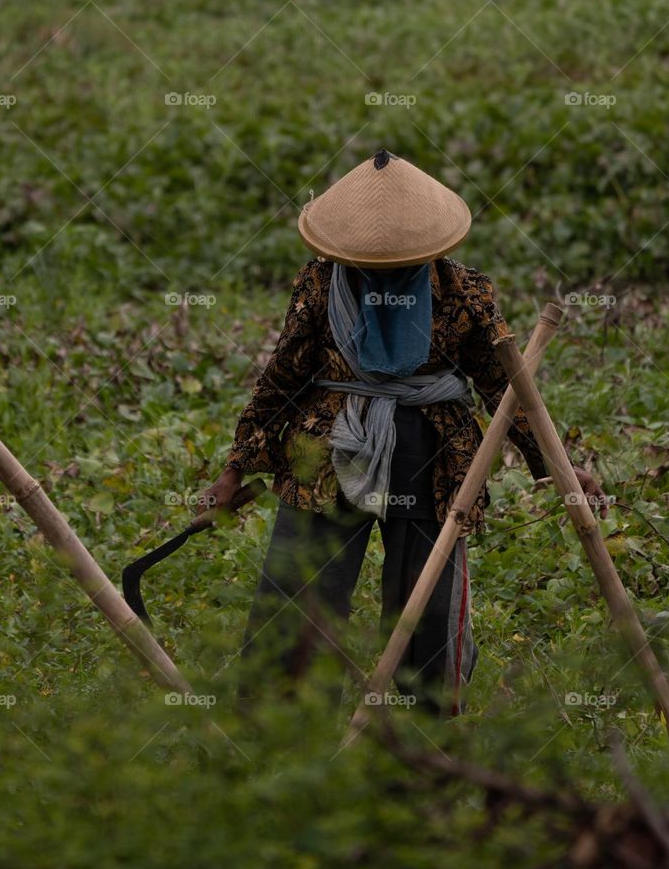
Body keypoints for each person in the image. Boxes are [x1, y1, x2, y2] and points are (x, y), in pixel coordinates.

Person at [199, 150, 608, 711]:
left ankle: (428, 722)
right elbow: (284, 377)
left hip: (430, 453)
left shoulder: (466, 294)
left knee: (427, 599)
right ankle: (281, 724)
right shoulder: (321, 285)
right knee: (300, 592)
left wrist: (558, 466)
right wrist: (235, 468)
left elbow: (507, 390)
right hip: (327, 448)